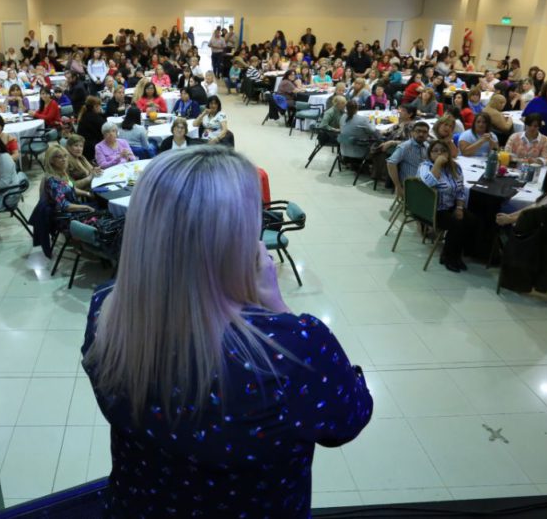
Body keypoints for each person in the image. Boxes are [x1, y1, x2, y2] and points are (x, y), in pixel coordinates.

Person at [81, 145, 371, 517]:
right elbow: (348, 419)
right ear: (239, 238)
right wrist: (279, 309)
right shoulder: (294, 348)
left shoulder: (105, 310)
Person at [418, 140, 478, 272]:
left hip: (451, 206)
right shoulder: (425, 166)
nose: (440, 153)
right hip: (432, 209)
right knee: (456, 225)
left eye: (443, 150)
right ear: (430, 154)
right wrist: (438, 164)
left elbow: (461, 190)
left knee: (471, 220)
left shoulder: (455, 167)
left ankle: (458, 254)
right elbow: (428, 183)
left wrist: (459, 208)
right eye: (436, 151)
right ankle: (448, 257)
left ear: (448, 153)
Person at [495, 154, 547, 226]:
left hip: (539, 232)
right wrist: (510, 216)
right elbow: (535, 207)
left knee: (496, 206)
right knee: (500, 205)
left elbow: (535, 214)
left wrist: (509, 220)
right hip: (539, 225)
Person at [43, 145, 97, 217]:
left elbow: (71, 188)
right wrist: (86, 207)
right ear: (51, 160)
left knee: (100, 202)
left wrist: (87, 193)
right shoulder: (53, 181)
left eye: (65, 156)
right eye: (59, 157)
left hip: (74, 206)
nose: (64, 159)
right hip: (67, 216)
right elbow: (64, 206)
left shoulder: (62, 172)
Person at [387, 122, 430, 197]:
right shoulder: (405, 146)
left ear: (427, 134)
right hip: (411, 185)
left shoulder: (427, 146)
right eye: (418, 131)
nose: (421, 134)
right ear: (412, 132)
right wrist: (397, 186)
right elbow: (391, 163)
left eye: (424, 132)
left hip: (425, 183)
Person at [77, 96, 107, 162]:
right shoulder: (95, 118)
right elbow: (106, 128)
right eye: (100, 106)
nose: (100, 107)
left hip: (85, 146)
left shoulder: (85, 114)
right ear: (95, 106)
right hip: (92, 149)